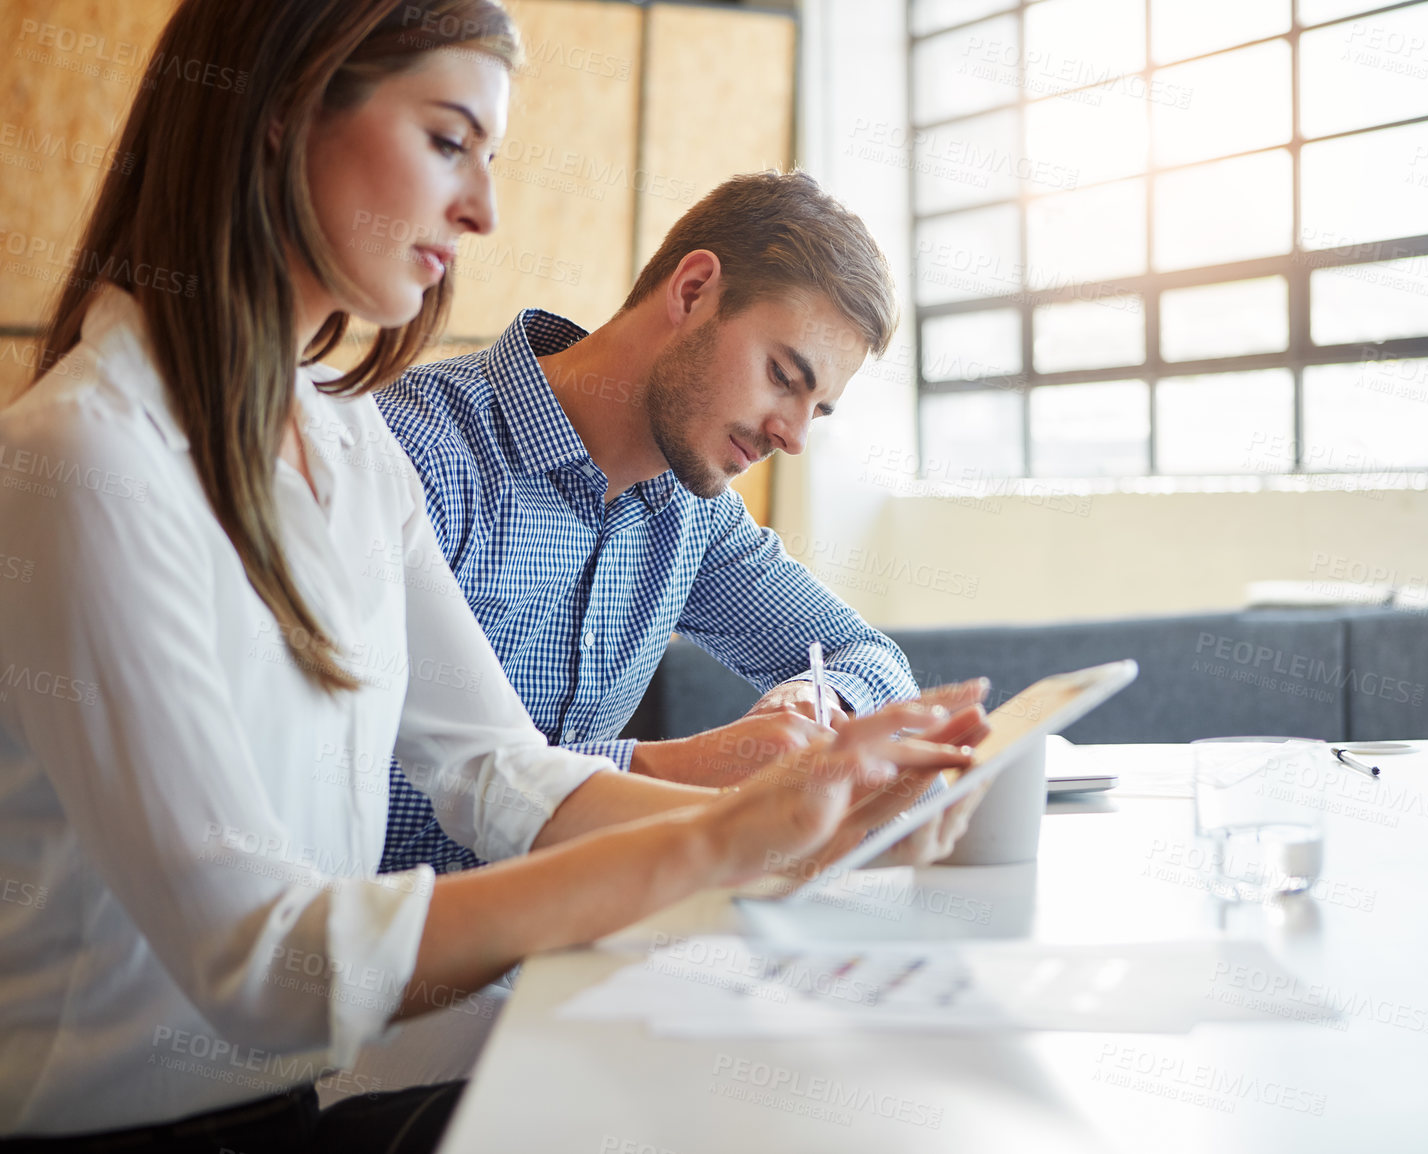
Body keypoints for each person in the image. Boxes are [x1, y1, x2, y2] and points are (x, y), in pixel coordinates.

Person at [0, 2, 983, 1149]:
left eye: (490, 157)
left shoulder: (347, 449)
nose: (483, 208)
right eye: (447, 140)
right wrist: (718, 840)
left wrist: (805, 833)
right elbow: (261, 962)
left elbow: (504, 774)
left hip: (297, 1090)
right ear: (280, 114)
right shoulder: (86, 459)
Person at [376, 170, 981, 875]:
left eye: (817, 409)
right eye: (784, 377)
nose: (792, 437)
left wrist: (816, 700)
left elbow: (872, 658)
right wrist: (672, 767)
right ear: (693, 292)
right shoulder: (416, 454)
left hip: (579, 946)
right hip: (395, 960)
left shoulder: (695, 514)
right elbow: (354, 781)